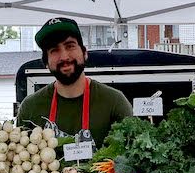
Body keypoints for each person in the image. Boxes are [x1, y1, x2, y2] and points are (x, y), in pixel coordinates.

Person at [16, 17, 132, 149]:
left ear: (84, 52)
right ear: (46, 63)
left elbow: (130, 160)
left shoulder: (114, 102)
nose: (64, 56)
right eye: (54, 50)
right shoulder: (30, 108)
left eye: (70, 46)